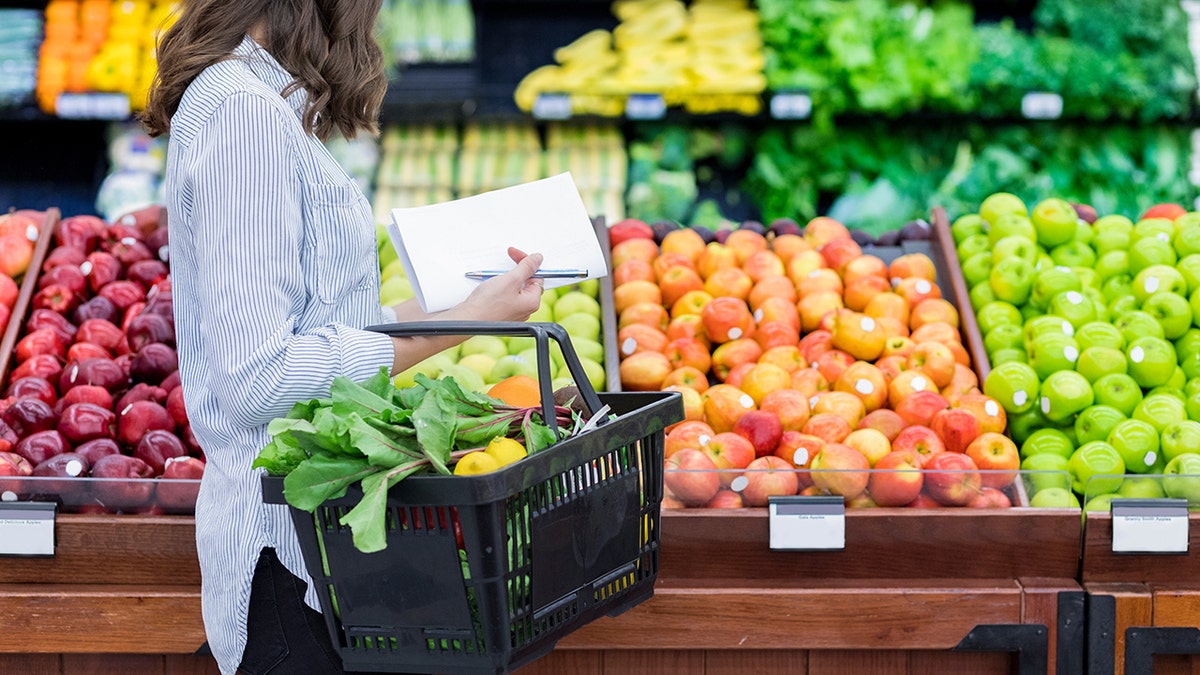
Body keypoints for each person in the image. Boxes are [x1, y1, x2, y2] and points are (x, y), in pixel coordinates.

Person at [141, 1, 545, 673]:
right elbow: (258, 377)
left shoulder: (254, 100)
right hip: (285, 560)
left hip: (318, 551)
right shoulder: (246, 117)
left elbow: (311, 331)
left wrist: (469, 305)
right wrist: (457, 323)